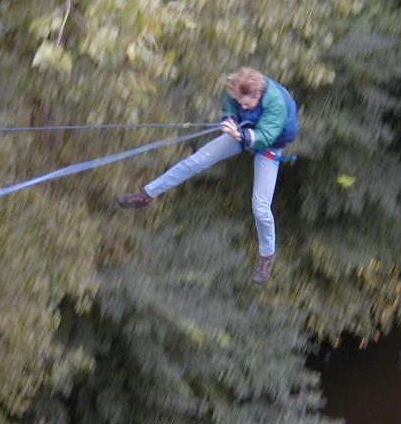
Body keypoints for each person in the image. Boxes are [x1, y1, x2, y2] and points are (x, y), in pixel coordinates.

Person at [117, 67, 298, 284]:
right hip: (243, 130)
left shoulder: (275, 103)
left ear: (258, 95)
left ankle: (266, 256)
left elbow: (265, 136)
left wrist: (240, 134)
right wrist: (229, 119)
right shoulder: (237, 90)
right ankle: (145, 195)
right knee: (195, 161)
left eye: (246, 103)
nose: (241, 105)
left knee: (260, 206)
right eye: (239, 101)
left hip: (269, 143)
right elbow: (230, 106)